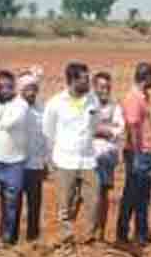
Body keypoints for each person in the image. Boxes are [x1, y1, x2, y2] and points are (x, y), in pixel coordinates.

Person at [42, 62, 102, 242]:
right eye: (84, 79)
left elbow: (95, 124)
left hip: (87, 159)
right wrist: (52, 158)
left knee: (94, 199)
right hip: (65, 159)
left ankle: (90, 237)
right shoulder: (56, 103)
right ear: (72, 80)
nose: (89, 82)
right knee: (65, 202)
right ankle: (65, 236)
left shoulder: (93, 100)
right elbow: (48, 131)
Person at [115, 62, 151, 244]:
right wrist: (136, 152)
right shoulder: (134, 98)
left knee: (143, 194)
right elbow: (132, 126)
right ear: (146, 77)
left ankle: (141, 232)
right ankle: (124, 233)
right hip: (138, 152)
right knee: (133, 194)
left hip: (144, 151)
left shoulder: (143, 96)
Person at [0, 69, 29, 245]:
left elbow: (7, 123)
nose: (5, 90)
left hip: (14, 161)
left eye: (9, 86)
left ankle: (8, 239)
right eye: (1, 87)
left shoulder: (21, 104)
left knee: (11, 203)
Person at [90, 71, 125, 241]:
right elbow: (84, 129)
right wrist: (105, 129)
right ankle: (85, 231)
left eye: (108, 87)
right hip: (87, 157)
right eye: (102, 87)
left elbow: (118, 131)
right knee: (85, 195)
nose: (105, 90)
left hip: (106, 158)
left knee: (103, 194)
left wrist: (98, 130)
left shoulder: (115, 107)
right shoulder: (87, 105)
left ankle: (100, 234)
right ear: (94, 87)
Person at [15, 68, 47, 242]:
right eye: (28, 88)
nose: (32, 92)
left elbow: (44, 137)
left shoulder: (42, 109)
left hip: (35, 165)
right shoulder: (15, 107)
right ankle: (11, 239)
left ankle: (33, 240)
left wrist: (44, 162)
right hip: (17, 164)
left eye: (34, 88)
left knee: (35, 205)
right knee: (15, 205)